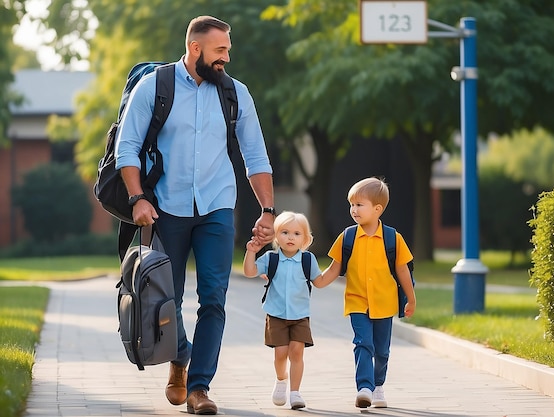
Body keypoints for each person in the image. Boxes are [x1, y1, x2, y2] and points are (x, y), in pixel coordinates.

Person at [115, 15, 275, 415]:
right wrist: (137, 199)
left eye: (228, 51)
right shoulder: (155, 87)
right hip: (165, 208)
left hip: (217, 207)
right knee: (169, 297)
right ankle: (179, 357)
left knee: (214, 299)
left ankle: (200, 387)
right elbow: (127, 147)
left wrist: (268, 211)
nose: (226, 58)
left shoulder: (236, 94)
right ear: (195, 48)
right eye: (220, 51)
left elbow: (256, 156)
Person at [319, 177, 416, 409]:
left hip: (384, 302)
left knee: (382, 350)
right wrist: (317, 281)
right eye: (351, 204)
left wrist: (411, 299)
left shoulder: (393, 239)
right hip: (357, 301)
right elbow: (334, 268)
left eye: (359, 205)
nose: (354, 210)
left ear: (377, 208)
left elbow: (403, 270)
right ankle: (364, 388)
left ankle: (378, 386)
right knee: (363, 343)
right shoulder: (348, 237)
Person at [243, 211, 327, 410]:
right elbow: (250, 272)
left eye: (297, 234)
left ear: (305, 239)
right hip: (276, 314)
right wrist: (251, 252)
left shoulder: (308, 260)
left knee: (297, 352)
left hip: (300, 315)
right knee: (280, 354)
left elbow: (320, 281)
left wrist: (337, 266)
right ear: (276, 236)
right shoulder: (271, 258)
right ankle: (281, 380)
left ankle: (295, 392)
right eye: (285, 232)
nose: (290, 237)